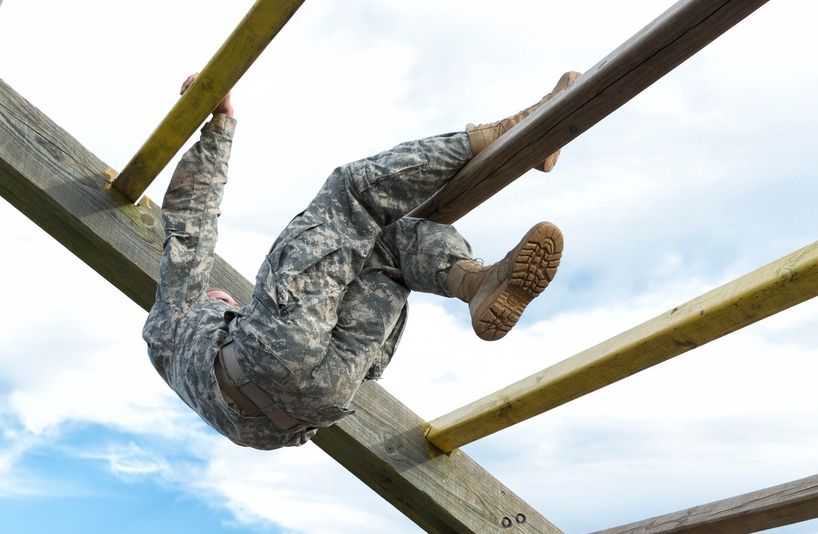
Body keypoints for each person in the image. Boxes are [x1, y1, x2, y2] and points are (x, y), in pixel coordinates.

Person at [143, 72, 578, 450]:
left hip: (321, 400)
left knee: (390, 249)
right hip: (268, 358)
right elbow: (190, 231)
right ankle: (506, 130)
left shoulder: (192, 370)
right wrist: (218, 124)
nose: (225, 298)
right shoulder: (169, 327)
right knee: (350, 194)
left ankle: (476, 282)